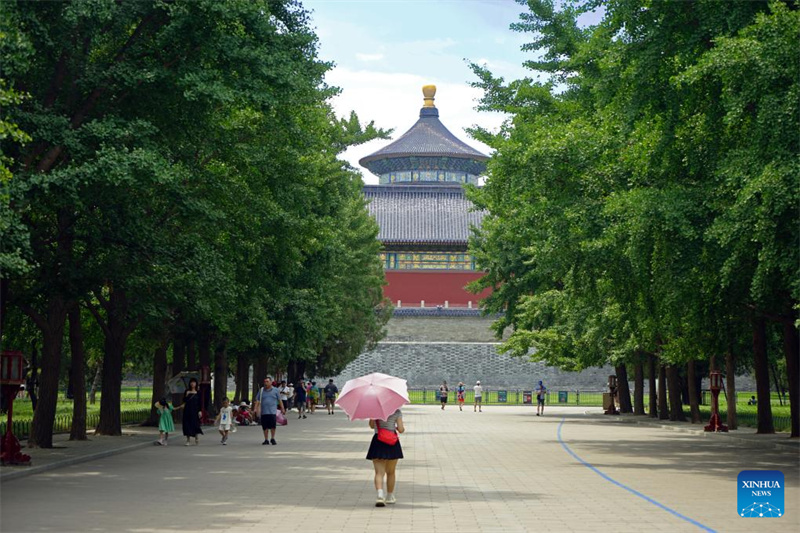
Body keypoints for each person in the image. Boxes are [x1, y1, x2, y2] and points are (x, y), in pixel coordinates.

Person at [367, 409, 405, 507]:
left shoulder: (374, 410)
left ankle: (380, 494)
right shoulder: (396, 411)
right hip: (392, 442)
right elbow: (401, 429)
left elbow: (371, 426)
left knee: (379, 472)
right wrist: (397, 427)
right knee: (391, 472)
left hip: (378, 440)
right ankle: (389, 496)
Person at [254, 376, 285, 445]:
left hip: (272, 412)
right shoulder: (261, 390)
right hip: (264, 412)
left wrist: (282, 408)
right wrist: (255, 408)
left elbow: (280, 400)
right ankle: (266, 439)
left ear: (271, 382)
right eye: (265, 382)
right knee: (265, 426)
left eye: (267, 381)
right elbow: (258, 400)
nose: (266, 383)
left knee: (273, 426)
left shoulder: (276, 390)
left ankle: (272, 438)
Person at [175, 377, 203, 445]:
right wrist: (187, 395)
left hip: (195, 410)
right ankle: (188, 440)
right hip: (187, 410)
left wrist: (200, 411)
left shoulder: (198, 392)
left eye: (194, 382)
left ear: (196, 383)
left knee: (195, 424)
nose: (192, 384)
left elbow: (200, 402)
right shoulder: (187, 391)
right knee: (187, 424)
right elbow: (184, 401)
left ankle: (196, 436)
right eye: (191, 382)